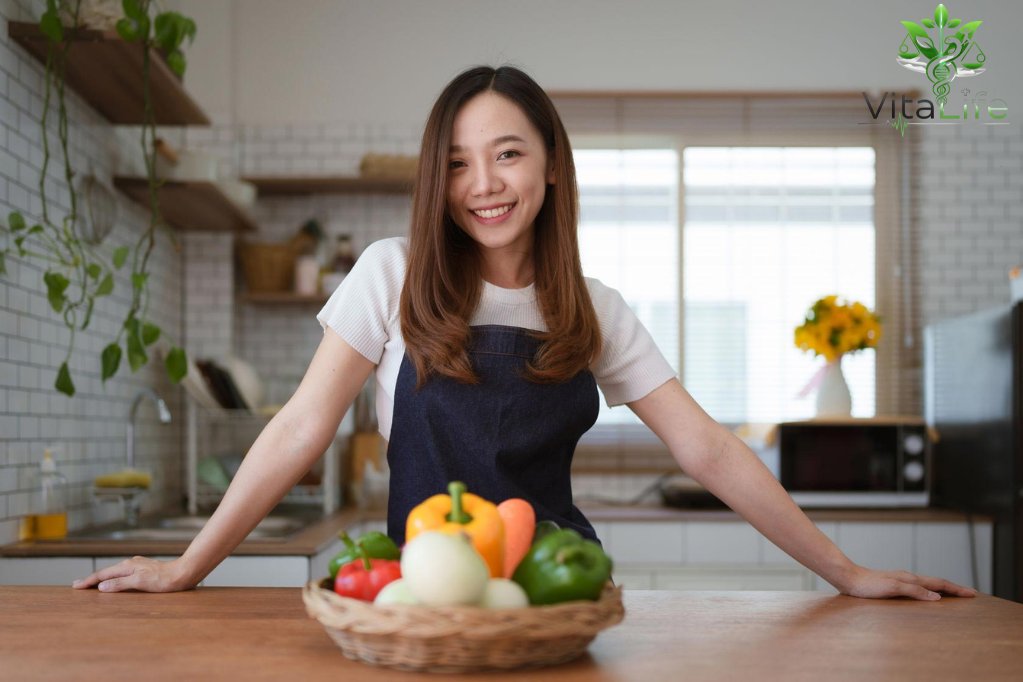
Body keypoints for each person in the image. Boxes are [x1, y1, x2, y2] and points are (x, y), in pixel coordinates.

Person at [72, 65, 977, 601]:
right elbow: (299, 429)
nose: (484, 183)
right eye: (458, 162)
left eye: (508, 152)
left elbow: (706, 449)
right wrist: (186, 570)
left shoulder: (594, 307)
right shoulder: (389, 274)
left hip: (556, 585)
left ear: (549, 164)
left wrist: (847, 574)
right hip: (423, 589)